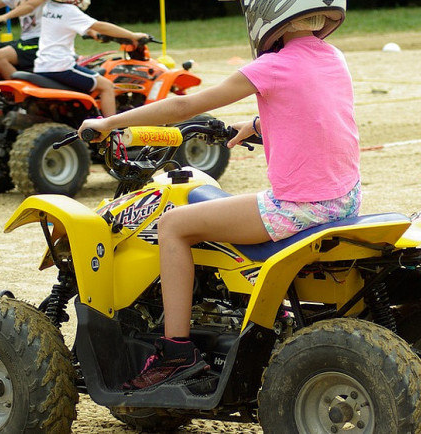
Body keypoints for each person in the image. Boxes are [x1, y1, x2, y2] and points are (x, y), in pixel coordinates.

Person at [78, 0, 357, 390]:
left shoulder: (271, 67)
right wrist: (259, 124)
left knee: (173, 224)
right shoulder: (334, 57)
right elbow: (316, 111)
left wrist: (108, 122)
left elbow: (184, 104)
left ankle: (177, 353)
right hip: (343, 199)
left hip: (299, 208)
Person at [33, 0, 147, 117]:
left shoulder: (48, 7)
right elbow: (101, 26)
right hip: (61, 66)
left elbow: (69, 24)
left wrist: (92, 32)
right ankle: (111, 128)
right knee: (106, 86)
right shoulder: (68, 10)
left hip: (43, 65)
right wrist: (133, 35)